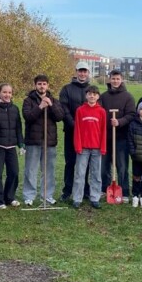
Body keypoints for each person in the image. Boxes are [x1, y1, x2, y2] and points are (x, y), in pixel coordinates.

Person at [22, 75, 64, 206]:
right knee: (31, 169)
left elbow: (59, 117)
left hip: (49, 140)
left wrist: (50, 105)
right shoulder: (28, 101)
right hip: (33, 140)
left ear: (48, 86)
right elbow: (28, 117)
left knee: (49, 170)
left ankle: (47, 195)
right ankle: (29, 196)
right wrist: (40, 106)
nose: (42, 86)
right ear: (35, 85)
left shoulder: (54, 100)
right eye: (39, 84)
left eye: (44, 84)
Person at [99, 70, 136, 201]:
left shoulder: (128, 97)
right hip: (106, 138)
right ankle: (104, 189)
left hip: (121, 138)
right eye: (113, 79)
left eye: (117, 79)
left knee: (122, 166)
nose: (115, 81)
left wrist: (119, 122)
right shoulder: (103, 97)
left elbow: (132, 114)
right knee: (103, 167)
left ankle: (124, 191)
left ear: (121, 80)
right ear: (110, 80)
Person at [58, 61, 91, 201]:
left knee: (86, 163)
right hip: (71, 131)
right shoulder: (67, 89)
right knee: (70, 162)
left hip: (88, 133)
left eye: (85, 71)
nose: (82, 73)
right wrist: (74, 125)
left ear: (88, 73)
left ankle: (85, 190)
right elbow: (64, 109)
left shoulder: (92, 89)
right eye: (80, 71)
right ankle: (68, 190)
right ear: (76, 71)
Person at [72, 85, 106, 209]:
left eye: (95, 94)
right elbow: (78, 130)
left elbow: (103, 131)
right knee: (80, 174)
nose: (92, 96)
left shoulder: (101, 111)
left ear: (98, 96)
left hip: (97, 148)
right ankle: (77, 198)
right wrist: (78, 146)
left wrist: (103, 147)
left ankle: (95, 197)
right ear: (86, 96)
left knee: (96, 174)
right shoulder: (80, 110)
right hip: (83, 148)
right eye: (90, 94)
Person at [0, 83, 24, 209]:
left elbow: (19, 128)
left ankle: (9, 197)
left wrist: (21, 144)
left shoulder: (15, 108)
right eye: (4, 92)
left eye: (9, 92)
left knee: (14, 172)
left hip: (11, 147)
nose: (7, 95)